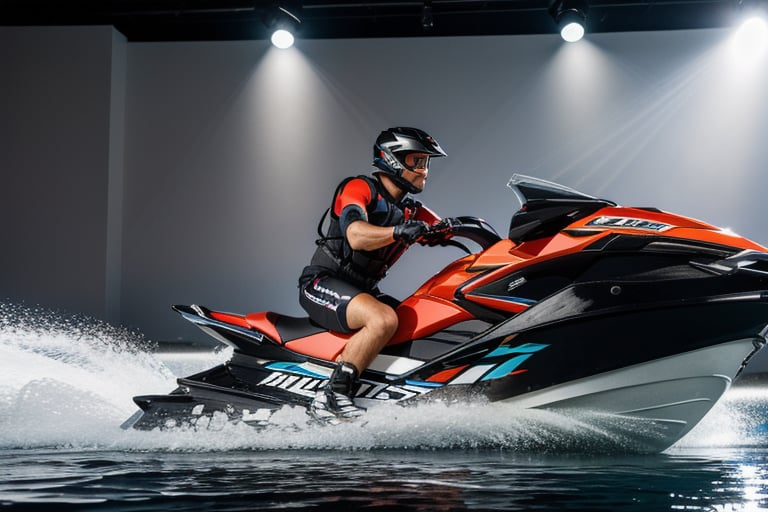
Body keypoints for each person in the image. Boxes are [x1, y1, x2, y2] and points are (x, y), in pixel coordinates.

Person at [298, 127, 447, 422]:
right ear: (393, 160)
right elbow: (355, 234)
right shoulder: (359, 188)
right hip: (322, 283)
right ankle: (332, 396)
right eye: (417, 162)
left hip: (362, 291)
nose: (424, 171)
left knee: (416, 318)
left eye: (426, 163)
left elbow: (446, 227)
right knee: (383, 319)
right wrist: (397, 231)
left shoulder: (410, 209)